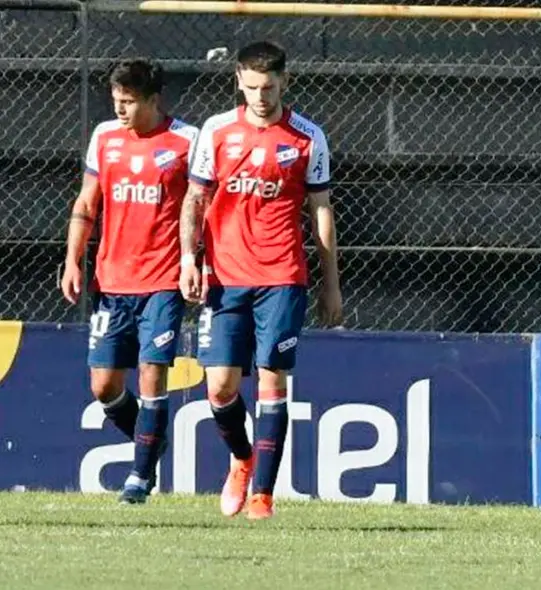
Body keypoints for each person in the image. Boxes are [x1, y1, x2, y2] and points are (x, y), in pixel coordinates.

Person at [179, 40, 343, 520]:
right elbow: (194, 199)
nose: (260, 97)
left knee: (274, 380)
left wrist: (329, 283)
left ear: (284, 82)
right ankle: (242, 458)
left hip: (282, 275)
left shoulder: (307, 137)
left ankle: (263, 496)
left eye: (268, 87)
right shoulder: (215, 131)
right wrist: (189, 258)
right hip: (225, 278)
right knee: (220, 389)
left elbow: (320, 210)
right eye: (251, 87)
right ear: (238, 81)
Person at [61, 59, 198, 504]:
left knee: (151, 374)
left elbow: (201, 207)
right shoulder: (104, 137)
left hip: (161, 280)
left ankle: (139, 479)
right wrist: (72, 259)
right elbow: (87, 201)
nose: (120, 109)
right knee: (103, 386)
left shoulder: (186, 141)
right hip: (112, 280)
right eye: (116, 101)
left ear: (153, 99)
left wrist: (195, 261)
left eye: (129, 102)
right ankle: (150, 438)